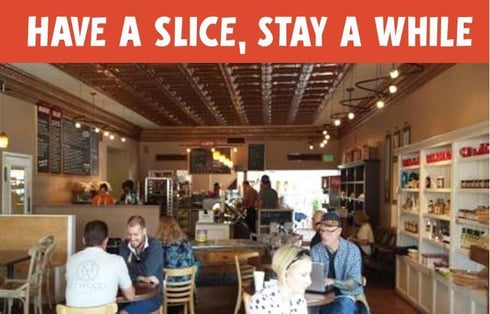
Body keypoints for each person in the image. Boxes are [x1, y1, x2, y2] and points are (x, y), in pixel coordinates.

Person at [65, 220, 135, 307]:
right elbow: (130, 296)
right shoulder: (117, 261)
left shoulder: (71, 260)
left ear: (83, 240)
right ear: (106, 241)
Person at [310, 212, 367, 314]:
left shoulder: (352, 251)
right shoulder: (316, 250)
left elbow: (354, 283)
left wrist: (332, 281)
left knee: (343, 307)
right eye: (322, 231)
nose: (324, 235)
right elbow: (315, 280)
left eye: (329, 232)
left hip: (349, 295)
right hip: (323, 296)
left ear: (339, 231)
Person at [119, 215, 163, 314]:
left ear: (144, 231)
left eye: (135, 234)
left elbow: (148, 270)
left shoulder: (155, 246)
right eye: (129, 234)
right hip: (127, 294)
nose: (132, 238)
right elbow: (121, 272)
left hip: (152, 296)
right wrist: (141, 278)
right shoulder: (124, 246)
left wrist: (128, 265)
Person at [249, 245, 312, 314]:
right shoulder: (263, 301)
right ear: (284, 273)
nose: (309, 282)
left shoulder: (299, 299)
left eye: (309, 274)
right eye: (303, 275)